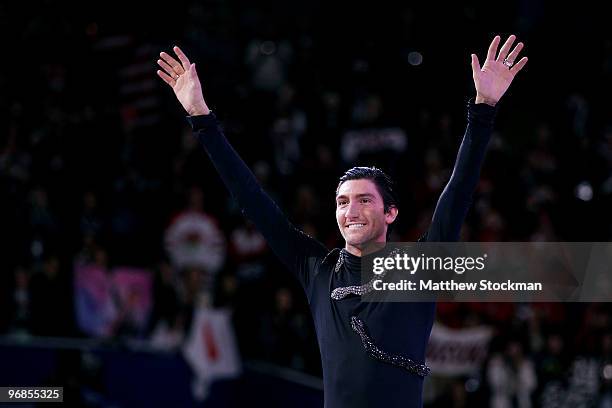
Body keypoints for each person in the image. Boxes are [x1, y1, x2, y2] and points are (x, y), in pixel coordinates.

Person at [156, 34, 527, 408]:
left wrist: (484, 108)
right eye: (342, 202)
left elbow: (457, 195)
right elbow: (252, 200)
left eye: (365, 200)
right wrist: (202, 118)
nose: (351, 211)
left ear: (390, 212)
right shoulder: (318, 269)